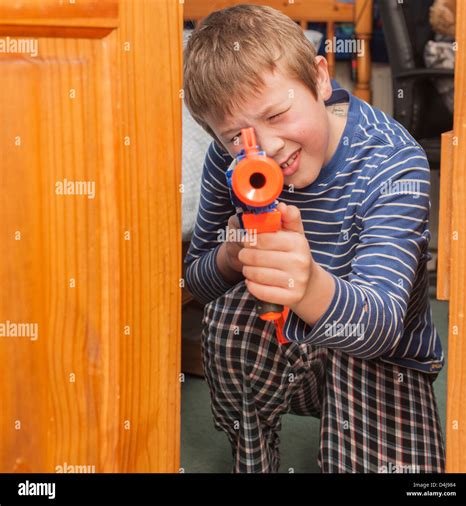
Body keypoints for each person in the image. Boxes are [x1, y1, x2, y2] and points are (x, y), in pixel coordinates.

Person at [183, 4, 445, 473]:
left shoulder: (392, 162)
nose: (269, 149)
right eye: (236, 139)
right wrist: (232, 255)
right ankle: (253, 458)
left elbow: (381, 325)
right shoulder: (229, 168)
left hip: (381, 360)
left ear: (320, 78)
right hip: (285, 348)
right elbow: (197, 284)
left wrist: (307, 285)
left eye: (279, 114)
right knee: (228, 316)